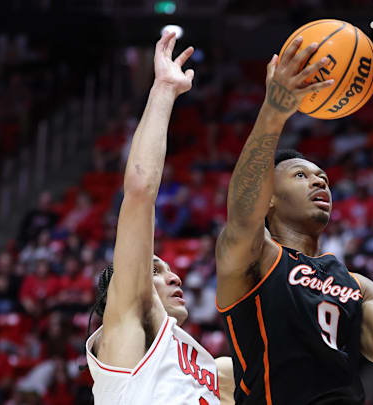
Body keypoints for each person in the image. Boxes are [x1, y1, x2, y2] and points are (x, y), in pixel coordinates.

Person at [215, 37, 373, 404]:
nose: (319, 180)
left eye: (323, 176)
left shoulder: (357, 285)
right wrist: (274, 112)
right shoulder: (254, 260)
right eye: (301, 176)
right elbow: (242, 215)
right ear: (269, 198)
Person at [83, 32, 233, 405]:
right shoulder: (126, 331)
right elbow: (139, 192)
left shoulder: (212, 370)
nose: (174, 275)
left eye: (166, 269)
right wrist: (164, 90)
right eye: (156, 271)